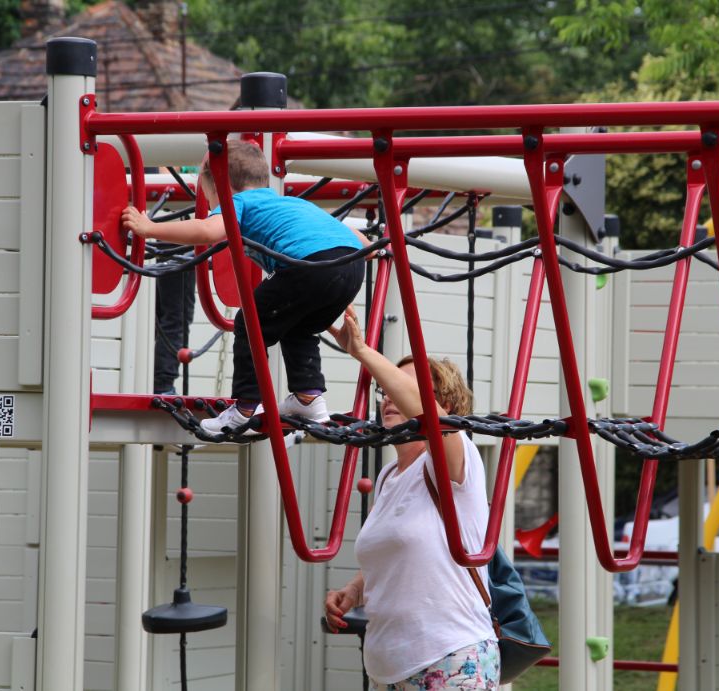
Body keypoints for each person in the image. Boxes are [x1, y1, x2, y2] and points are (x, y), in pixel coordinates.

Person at [122, 140, 366, 434]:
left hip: (308, 265)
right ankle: (308, 397)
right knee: (298, 327)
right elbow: (360, 240)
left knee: (249, 322)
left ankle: (245, 406)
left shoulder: (238, 202)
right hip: (352, 264)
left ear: (219, 186)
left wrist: (149, 228)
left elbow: (207, 230)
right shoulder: (290, 202)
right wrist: (338, 275)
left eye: (206, 192)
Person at [323, 307, 499, 690]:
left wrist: (362, 352)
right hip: (392, 666)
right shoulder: (389, 476)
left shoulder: (456, 461)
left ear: (444, 405)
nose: (389, 395)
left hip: (451, 656)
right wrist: (354, 591)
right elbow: (402, 556)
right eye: (386, 388)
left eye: (403, 387)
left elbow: (429, 418)